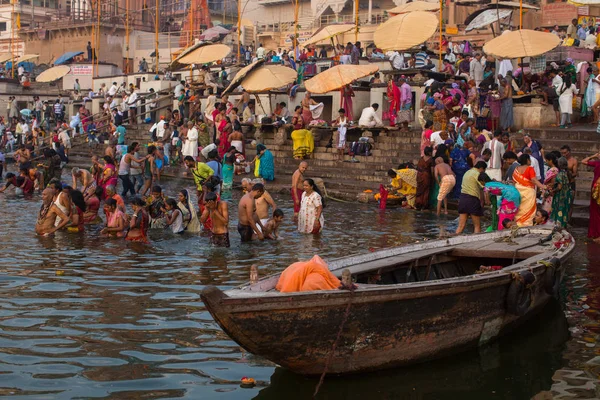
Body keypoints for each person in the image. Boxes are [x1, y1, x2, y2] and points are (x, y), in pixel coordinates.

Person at [513, 154, 546, 227]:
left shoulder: (516, 169)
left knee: (519, 210)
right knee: (528, 211)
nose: (530, 161)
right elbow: (534, 180)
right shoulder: (530, 169)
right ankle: (526, 225)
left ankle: (517, 224)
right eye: (530, 160)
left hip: (518, 192)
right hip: (528, 193)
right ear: (527, 160)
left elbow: (514, 182)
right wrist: (543, 186)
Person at [455, 161, 488, 234]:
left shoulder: (467, 172)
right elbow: (485, 187)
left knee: (461, 226)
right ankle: (476, 243)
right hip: (472, 200)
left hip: (462, 199)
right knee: (477, 226)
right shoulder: (477, 174)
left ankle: (453, 239)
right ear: (482, 168)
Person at [582, 152, 600, 242]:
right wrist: (593, 156)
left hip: (598, 188)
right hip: (595, 188)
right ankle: (595, 233)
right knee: (594, 211)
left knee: (597, 211)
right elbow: (583, 161)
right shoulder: (597, 162)